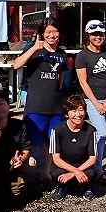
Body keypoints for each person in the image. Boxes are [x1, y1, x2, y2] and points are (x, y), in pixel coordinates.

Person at [12, 19, 66, 165]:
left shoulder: (62, 54)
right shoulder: (34, 51)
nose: (52, 35)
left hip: (56, 110)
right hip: (35, 108)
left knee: (55, 147)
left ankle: (51, 177)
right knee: (32, 149)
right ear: (42, 33)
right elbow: (16, 65)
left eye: (55, 31)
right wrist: (34, 47)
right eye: (48, 32)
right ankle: (32, 181)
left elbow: (60, 80)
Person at [75, 20, 106, 175]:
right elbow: (83, 82)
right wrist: (96, 104)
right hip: (92, 100)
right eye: (94, 34)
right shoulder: (82, 56)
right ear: (88, 35)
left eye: (100, 34)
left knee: (102, 135)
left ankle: (96, 166)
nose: (98, 37)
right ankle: (95, 168)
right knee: (101, 133)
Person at [49, 95, 99, 201]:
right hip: (64, 166)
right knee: (56, 172)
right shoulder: (57, 130)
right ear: (67, 114)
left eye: (80, 110)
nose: (78, 114)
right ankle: (62, 187)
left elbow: (92, 158)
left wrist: (75, 172)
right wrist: (75, 172)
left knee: (91, 172)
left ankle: (86, 187)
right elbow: (56, 159)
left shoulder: (91, 130)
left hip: (82, 166)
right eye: (73, 110)